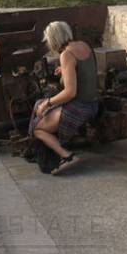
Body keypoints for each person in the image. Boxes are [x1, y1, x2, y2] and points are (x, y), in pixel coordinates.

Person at [30, 21, 100, 175]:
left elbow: (70, 92)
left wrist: (47, 103)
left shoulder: (66, 54)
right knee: (39, 105)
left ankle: (67, 156)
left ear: (53, 39)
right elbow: (84, 71)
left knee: (38, 129)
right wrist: (65, 70)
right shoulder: (84, 45)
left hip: (80, 107)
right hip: (93, 103)